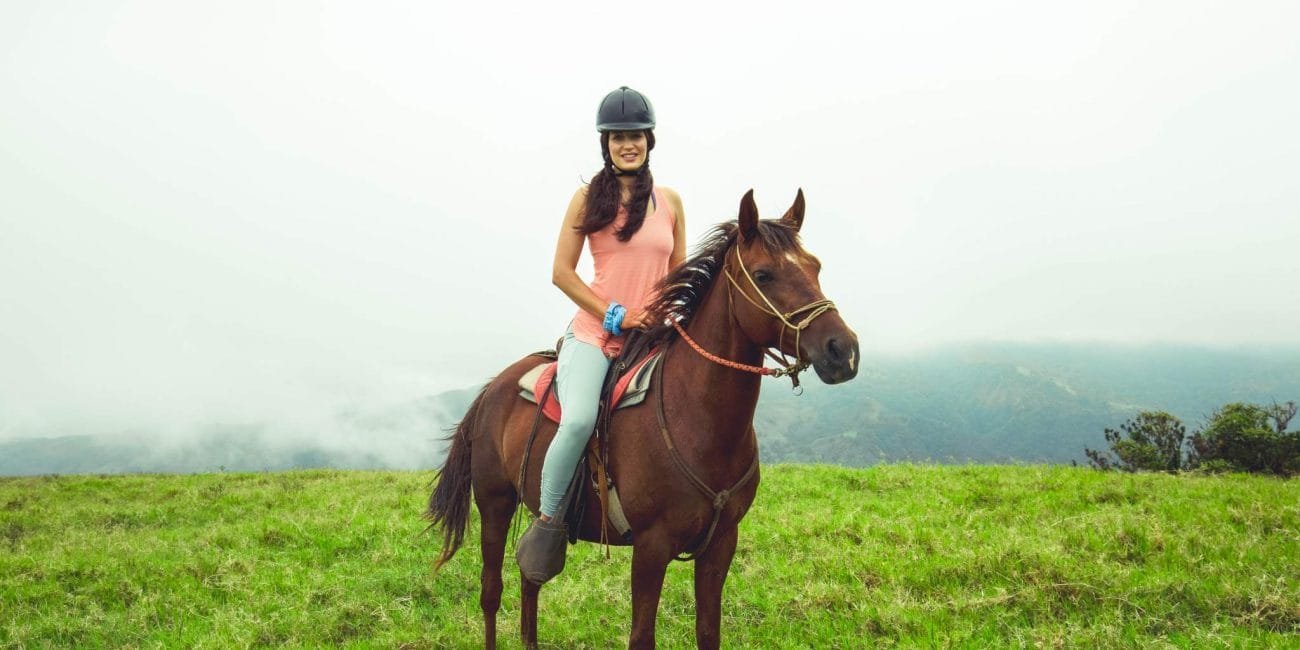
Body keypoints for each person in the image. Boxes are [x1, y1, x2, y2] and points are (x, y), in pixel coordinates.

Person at [516, 86, 687, 583]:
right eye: (617, 137)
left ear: (649, 140)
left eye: (635, 136)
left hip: (651, 338)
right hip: (596, 334)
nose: (627, 144)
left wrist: (667, 316)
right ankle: (549, 521)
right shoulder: (588, 199)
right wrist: (616, 315)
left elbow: (679, 274)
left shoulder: (670, 201)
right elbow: (561, 273)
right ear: (605, 144)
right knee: (577, 421)